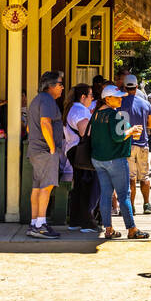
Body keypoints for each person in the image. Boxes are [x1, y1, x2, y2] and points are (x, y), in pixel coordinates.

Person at [90, 85, 149, 240]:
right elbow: (118, 137)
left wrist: (129, 132)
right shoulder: (115, 114)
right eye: (117, 97)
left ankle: (108, 229)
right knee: (124, 195)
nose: (121, 99)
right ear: (107, 99)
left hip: (98, 159)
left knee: (106, 195)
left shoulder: (96, 114)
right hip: (115, 159)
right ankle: (132, 229)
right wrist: (131, 130)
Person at [25, 71, 66, 239]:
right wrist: (51, 148)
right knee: (46, 187)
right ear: (51, 86)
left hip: (35, 150)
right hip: (44, 151)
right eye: (60, 84)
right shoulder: (48, 100)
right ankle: (41, 225)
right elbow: (45, 122)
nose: (62, 87)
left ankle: (34, 223)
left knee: (37, 187)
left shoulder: (36, 100)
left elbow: (29, 128)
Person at [64, 83, 98, 233]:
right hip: (82, 151)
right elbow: (85, 132)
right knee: (87, 186)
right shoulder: (80, 110)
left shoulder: (73, 108)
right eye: (91, 95)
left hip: (73, 150)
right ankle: (86, 222)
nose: (92, 98)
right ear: (83, 97)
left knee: (79, 186)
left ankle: (75, 220)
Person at [121, 74, 151, 216]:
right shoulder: (145, 104)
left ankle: (132, 206)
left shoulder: (120, 103)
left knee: (131, 178)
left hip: (127, 143)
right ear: (136, 87)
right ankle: (146, 204)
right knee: (144, 176)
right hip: (142, 143)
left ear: (124, 87)